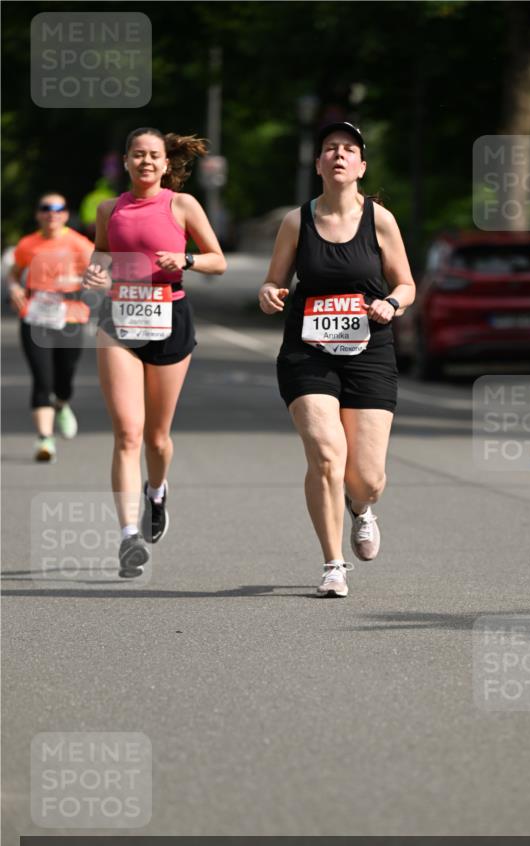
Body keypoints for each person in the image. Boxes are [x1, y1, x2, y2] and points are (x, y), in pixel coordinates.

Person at [259, 122, 415, 597]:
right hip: (307, 351)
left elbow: (406, 284)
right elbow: (272, 282)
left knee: (366, 478)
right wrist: (270, 294)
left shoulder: (381, 220)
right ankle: (333, 563)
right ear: (319, 164)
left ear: (361, 166)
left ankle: (360, 507)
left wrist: (391, 303)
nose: (339, 155)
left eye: (349, 149)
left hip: (370, 351)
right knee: (326, 454)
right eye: (331, 149)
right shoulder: (296, 221)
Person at [82, 127, 227, 578]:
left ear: (166, 164)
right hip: (119, 322)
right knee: (127, 433)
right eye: (137, 155)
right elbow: (101, 259)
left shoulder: (181, 205)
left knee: (156, 439)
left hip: (170, 319)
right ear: (125, 161)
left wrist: (184, 260)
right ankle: (128, 537)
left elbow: (217, 260)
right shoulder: (110, 209)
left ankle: (157, 491)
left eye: (154, 156)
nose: (146, 162)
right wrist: (96, 277)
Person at [8, 194, 94, 461]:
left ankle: (63, 403)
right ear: (38, 214)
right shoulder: (27, 244)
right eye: (46, 208)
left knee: (64, 376)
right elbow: (14, 271)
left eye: (59, 209)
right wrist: (14, 287)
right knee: (42, 379)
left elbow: (101, 274)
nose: (52, 213)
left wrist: (95, 282)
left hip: (69, 317)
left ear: (66, 214)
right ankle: (45, 440)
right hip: (34, 317)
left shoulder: (80, 244)